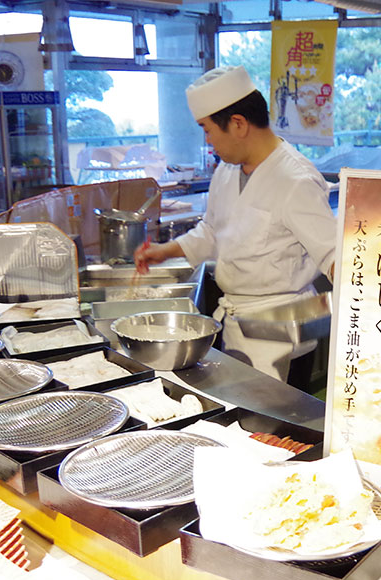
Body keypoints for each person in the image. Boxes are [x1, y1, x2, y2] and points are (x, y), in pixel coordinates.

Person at [134, 65, 336, 382]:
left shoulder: (295, 180)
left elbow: (334, 255)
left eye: (208, 129)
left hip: (280, 329)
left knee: (271, 425)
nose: (208, 140)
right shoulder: (227, 171)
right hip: (236, 323)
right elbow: (214, 231)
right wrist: (165, 250)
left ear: (238, 124)